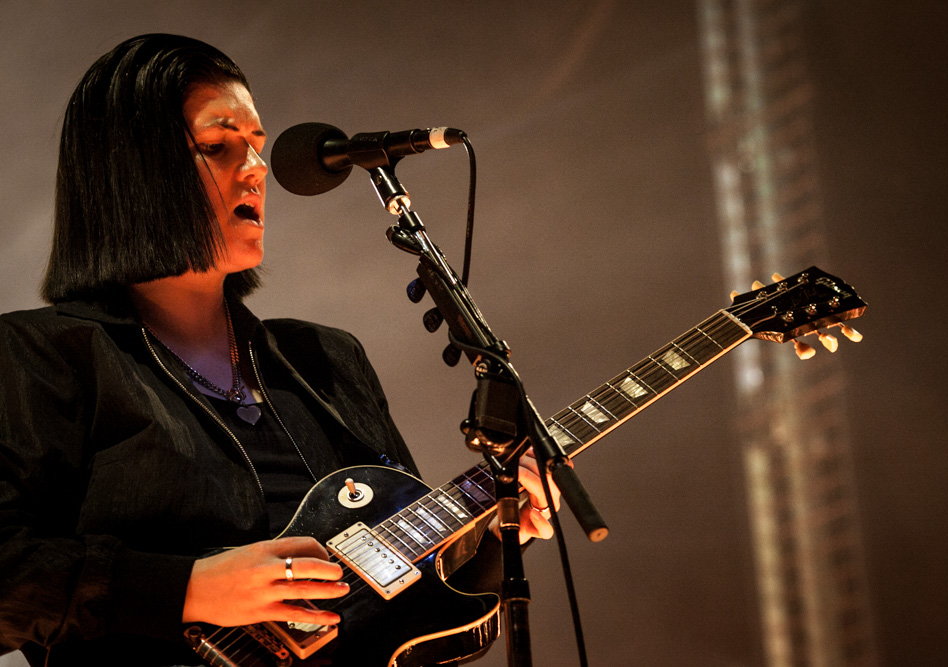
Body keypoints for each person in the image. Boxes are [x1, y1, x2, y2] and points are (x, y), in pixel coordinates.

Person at [0, 34, 556, 666]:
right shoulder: (36, 357)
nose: (257, 169)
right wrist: (186, 589)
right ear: (127, 174)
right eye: (216, 147)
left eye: (257, 148)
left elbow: (407, 610)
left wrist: (493, 536)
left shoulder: (326, 359)